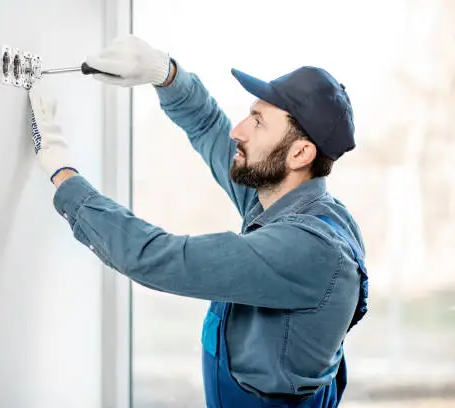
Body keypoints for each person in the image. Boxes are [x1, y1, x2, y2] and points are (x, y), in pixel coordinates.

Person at [27, 35, 369, 408]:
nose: (238, 131)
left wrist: (64, 175)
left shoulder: (308, 249)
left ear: (300, 153)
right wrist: (166, 74)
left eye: (258, 122)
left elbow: (159, 256)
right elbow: (208, 126)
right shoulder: (279, 199)